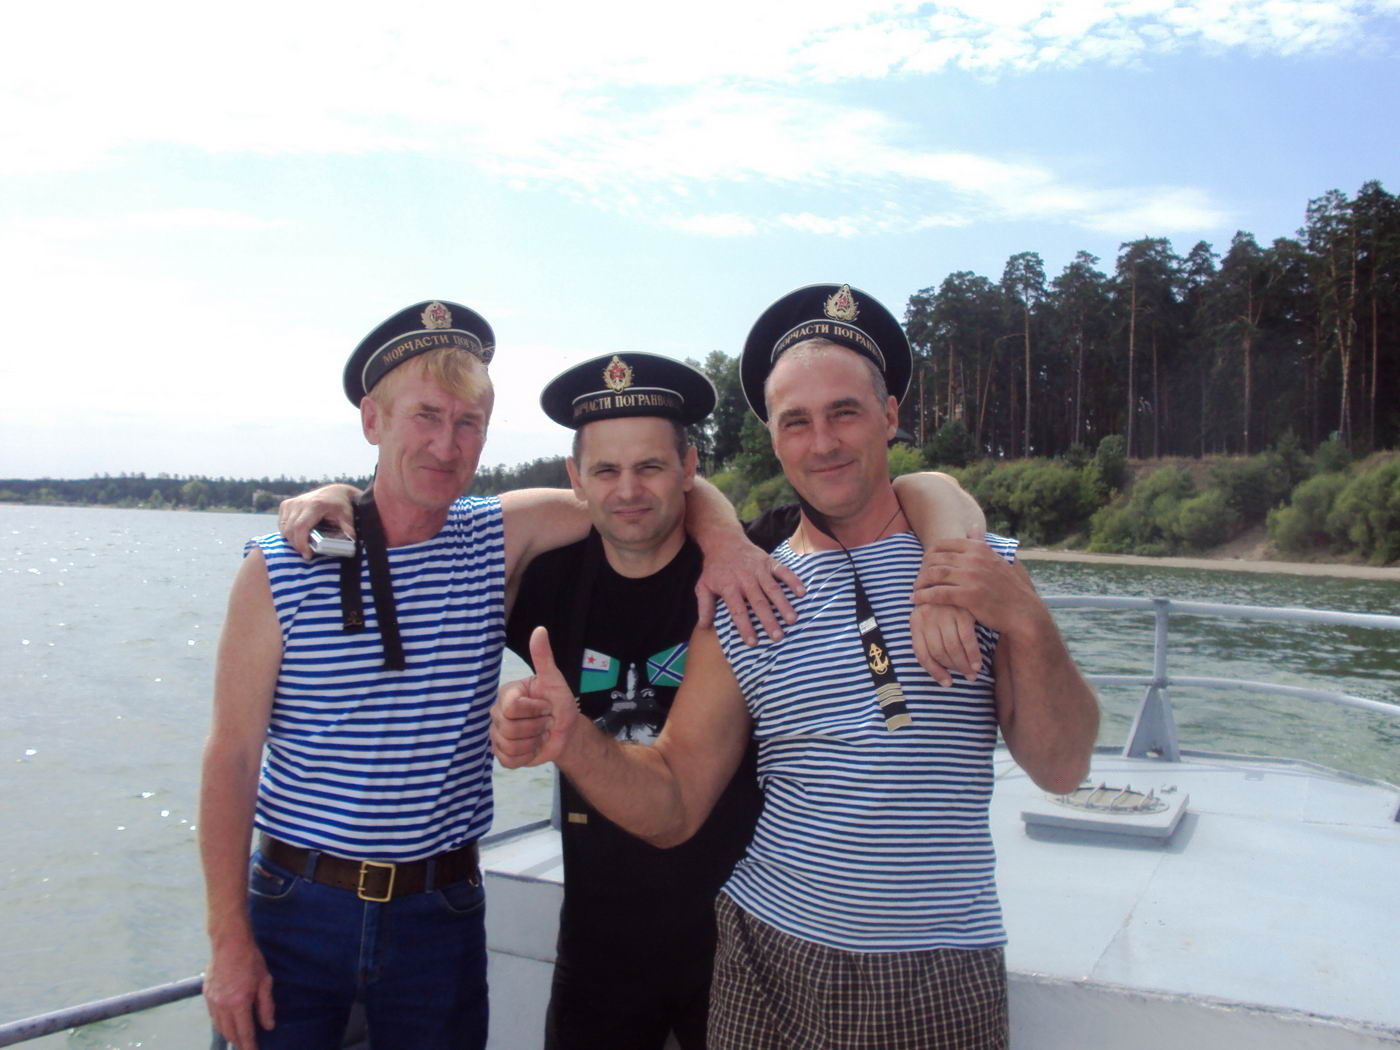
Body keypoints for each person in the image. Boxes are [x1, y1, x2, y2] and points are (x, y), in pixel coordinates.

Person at [492, 284, 1100, 1050]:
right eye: (796, 422)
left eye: (845, 413)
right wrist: (573, 740)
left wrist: (1027, 620)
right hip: (765, 961)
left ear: (890, 415)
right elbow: (675, 796)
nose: (823, 443)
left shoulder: (975, 565)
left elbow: (1061, 767)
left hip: (941, 966)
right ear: (775, 440)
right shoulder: (749, 596)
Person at [199, 301, 787, 1050]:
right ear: (372, 420)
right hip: (296, 908)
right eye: (425, 416)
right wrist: (228, 939)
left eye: (469, 423)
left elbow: (646, 492)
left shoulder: (495, 537)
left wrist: (729, 542)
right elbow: (231, 756)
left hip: (438, 912)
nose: (447, 444)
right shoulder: (280, 568)